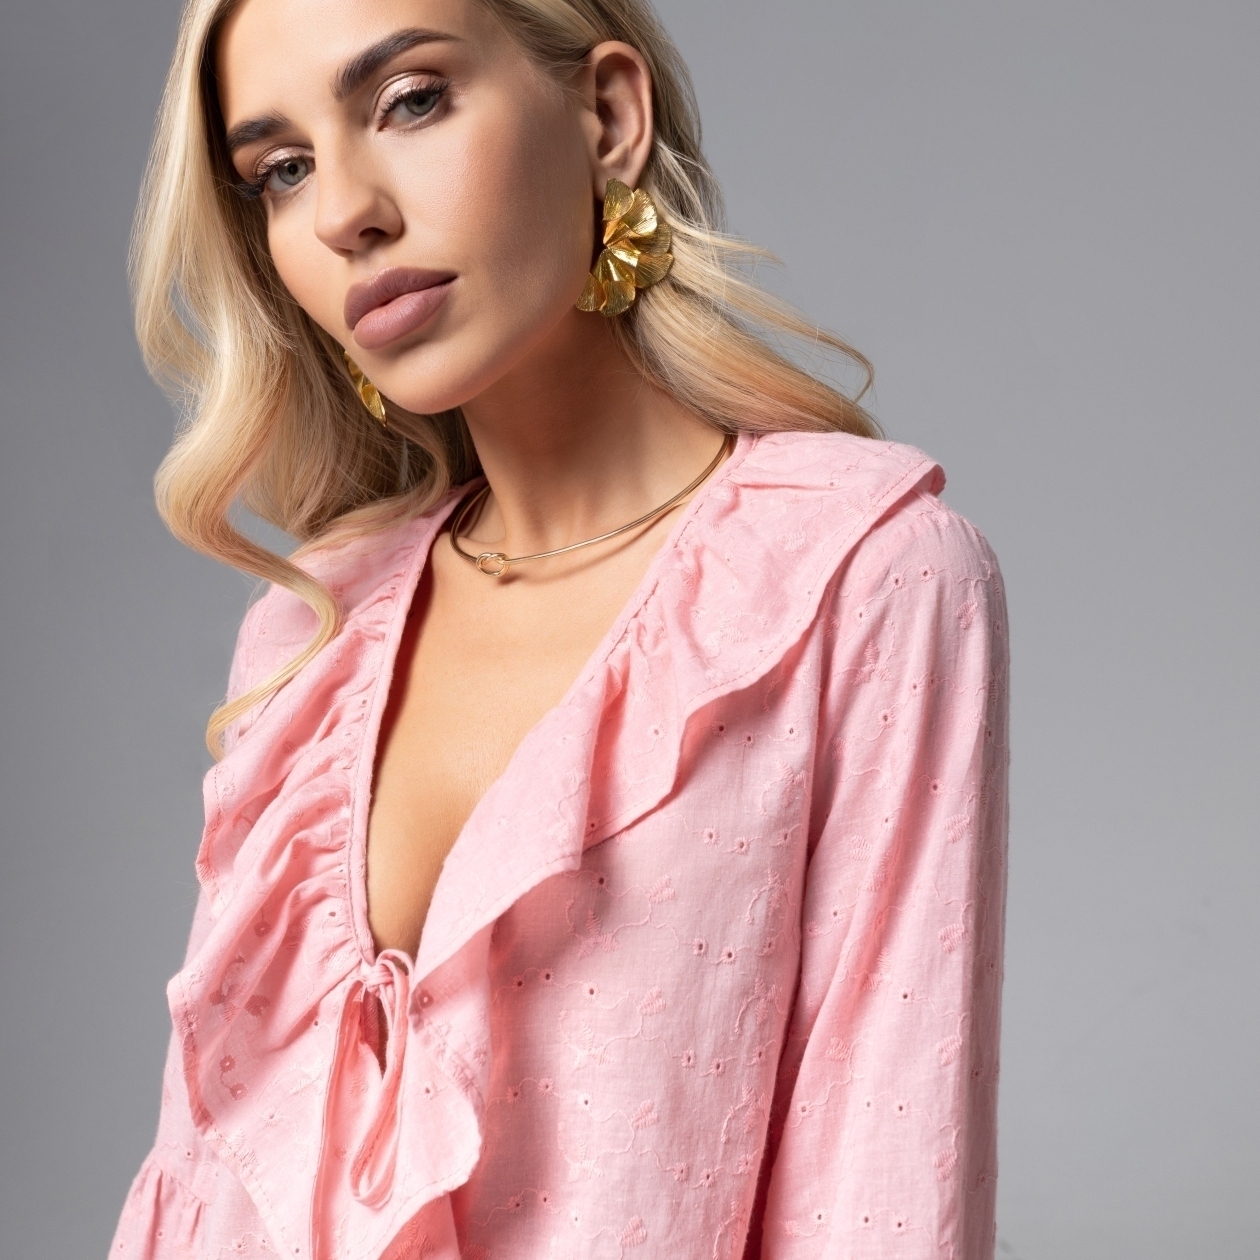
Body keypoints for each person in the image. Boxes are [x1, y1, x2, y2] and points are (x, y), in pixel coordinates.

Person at [111, 1, 1009, 1257]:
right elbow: (199, 1193)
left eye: (411, 101)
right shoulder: (307, 630)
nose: (344, 213)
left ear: (608, 115)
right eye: (283, 169)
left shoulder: (861, 580)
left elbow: (881, 1198)